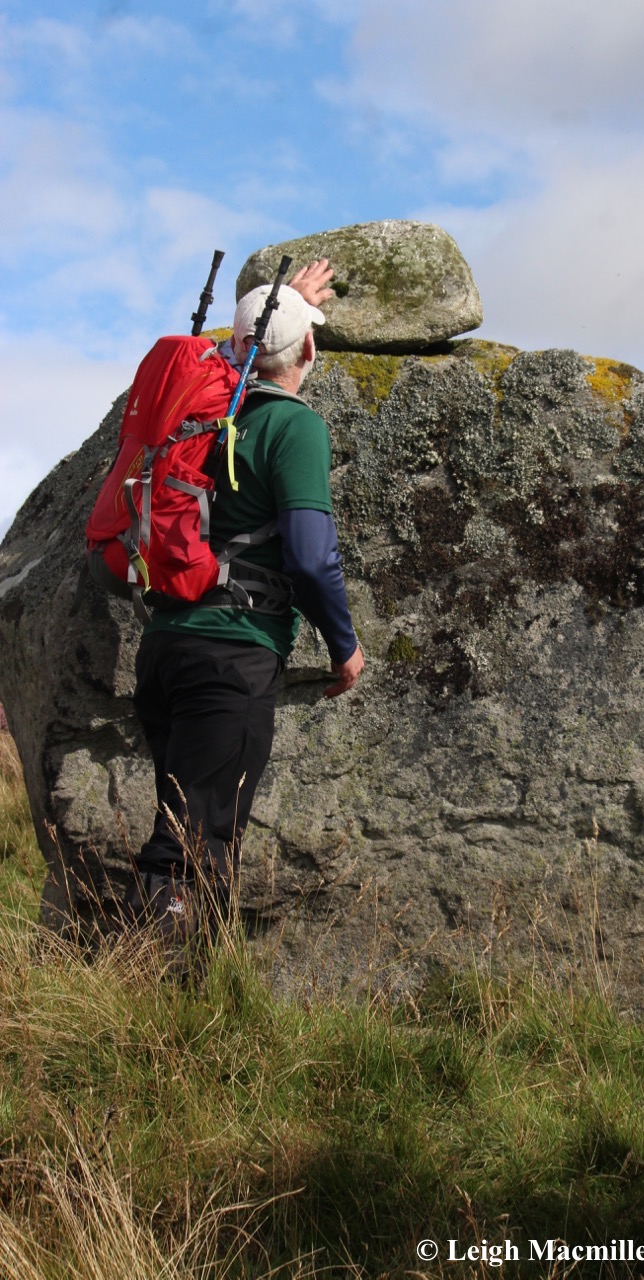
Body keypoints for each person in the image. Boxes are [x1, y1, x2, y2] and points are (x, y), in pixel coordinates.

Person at [125, 260, 364, 951]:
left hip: (165, 649)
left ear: (237, 349)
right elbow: (311, 557)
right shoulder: (293, 427)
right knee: (192, 844)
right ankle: (157, 1006)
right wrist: (344, 647)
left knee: (196, 826)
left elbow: (250, 346)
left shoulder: (201, 415)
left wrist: (285, 304)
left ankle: (200, 993)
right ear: (310, 352)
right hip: (232, 659)